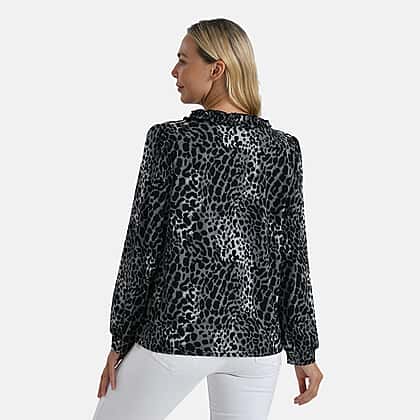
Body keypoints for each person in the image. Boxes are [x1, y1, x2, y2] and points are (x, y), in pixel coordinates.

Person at [92, 18, 323, 420]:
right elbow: (293, 257)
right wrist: (304, 352)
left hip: (177, 336)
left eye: (183, 60)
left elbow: (142, 249)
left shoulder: (170, 141)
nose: (174, 71)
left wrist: (120, 340)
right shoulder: (283, 148)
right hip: (256, 348)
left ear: (216, 69)